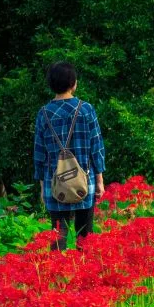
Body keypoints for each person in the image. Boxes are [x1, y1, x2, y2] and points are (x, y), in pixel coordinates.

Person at [33, 61, 105, 251]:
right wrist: (99, 180)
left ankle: (57, 269)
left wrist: (42, 187)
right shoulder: (86, 110)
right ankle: (86, 268)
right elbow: (96, 147)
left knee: (58, 235)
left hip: (54, 183)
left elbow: (39, 154)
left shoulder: (44, 114)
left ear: (51, 84)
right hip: (85, 181)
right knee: (85, 234)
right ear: (73, 83)